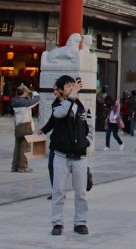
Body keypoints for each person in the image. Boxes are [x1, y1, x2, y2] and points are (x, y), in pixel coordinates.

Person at [47, 75, 91, 235]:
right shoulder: (57, 106)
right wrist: (71, 97)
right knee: (58, 190)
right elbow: (60, 114)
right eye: (67, 86)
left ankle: (80, 222)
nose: (72, 88)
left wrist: (87, 141)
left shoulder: (81, 106)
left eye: (73, 85)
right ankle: (57, 222)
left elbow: (89, 124)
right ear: (60, 90)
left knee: (81, 192)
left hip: (79, 155)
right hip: (61, 154)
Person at [10, 85, 40, 172]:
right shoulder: (25, 103)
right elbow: (37, 100)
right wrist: (33, 92)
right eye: (27, 91)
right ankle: (23, 167)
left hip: (18, 126)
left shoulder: (15, 101)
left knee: (17, 147)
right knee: (25, 147)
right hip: (26, 126)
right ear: (24, 92)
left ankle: (15, 166)